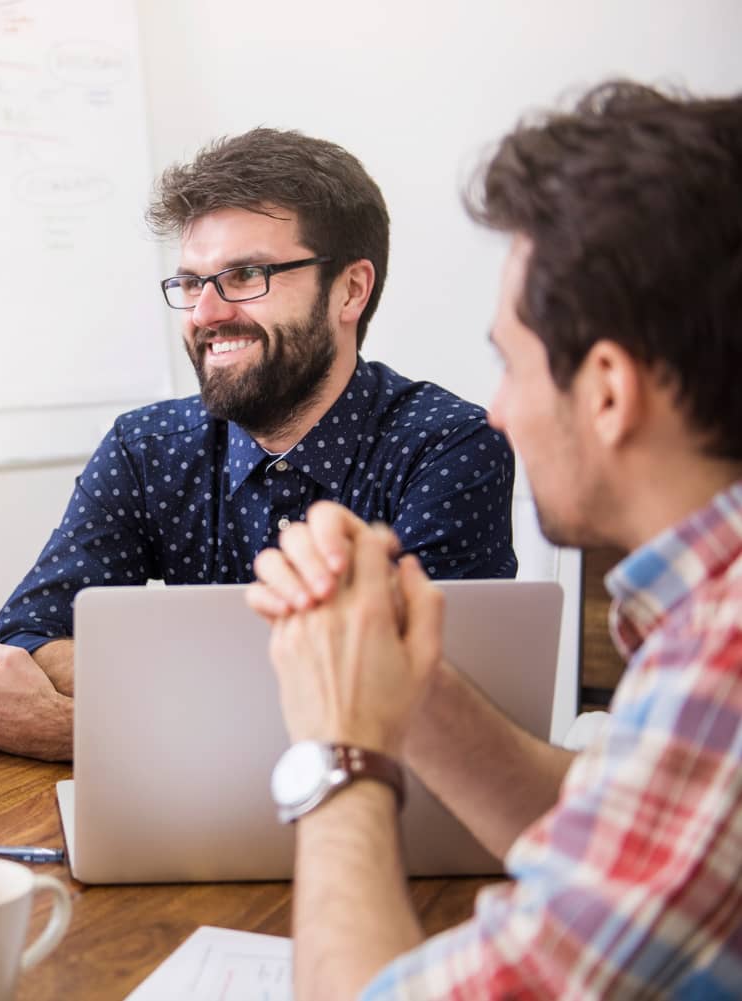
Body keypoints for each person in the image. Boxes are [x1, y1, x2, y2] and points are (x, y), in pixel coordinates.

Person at [248, 81, 742, 998]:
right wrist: (410, 678)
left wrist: (339, 754)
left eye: (511, 363)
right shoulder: (709, 622)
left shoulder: (726, 661)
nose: (498, 410)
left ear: (606, 390)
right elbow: (621, 831)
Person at [0, 129, 518, 760]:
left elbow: (422, 713)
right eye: (192, 283)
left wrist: (88, 731)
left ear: (350, 290)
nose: (205, 314)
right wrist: (256, 699)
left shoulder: (448, 448)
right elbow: (20, 643)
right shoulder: (148, 448)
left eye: (246, 275)